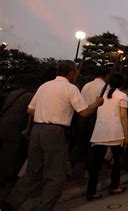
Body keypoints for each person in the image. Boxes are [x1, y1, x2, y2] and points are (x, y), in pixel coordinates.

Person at [2, 60, 103, 211]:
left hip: (37, 130)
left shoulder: (44, 86)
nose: (76, 74)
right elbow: (83, 112)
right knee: (55, 176)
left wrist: (46, 111)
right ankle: (44, 207)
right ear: (70, 73)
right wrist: (97, 103)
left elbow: (30, 110)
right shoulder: (70, 88)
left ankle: (10, 204)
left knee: (32, 172)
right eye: (75, 72)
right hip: (55, 132)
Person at [87, 73, 128, 201]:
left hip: (99, 133)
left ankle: (91, 191)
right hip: (115, 133)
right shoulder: (122, 95)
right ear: (121, 84)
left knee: (95, 165)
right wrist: (126, 134)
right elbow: (123, 116)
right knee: (117, 161)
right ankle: (114, 186)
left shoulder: (101, 96)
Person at [70, 68, 108, 177]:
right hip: (96, 117)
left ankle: (72, 164)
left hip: (82, 115)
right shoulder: (105, 86)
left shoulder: (87, 85)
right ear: (106, 75)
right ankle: (88, 169)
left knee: (81, 141)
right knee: (93, 144)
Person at [0, 78, 35, 185]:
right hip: (15, 130)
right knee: (9, 155)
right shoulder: (30, 96)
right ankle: (3, 179)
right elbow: (31, 115)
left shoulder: (12, 93)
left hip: (3, 125)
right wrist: (28, 129)